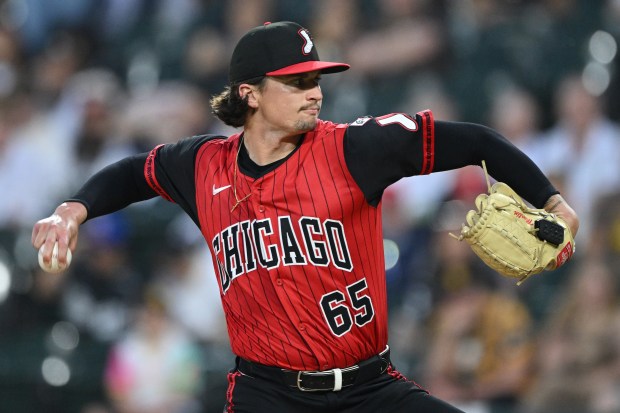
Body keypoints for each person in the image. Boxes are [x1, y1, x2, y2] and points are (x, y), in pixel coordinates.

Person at [32, 21, 579, 413]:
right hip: (265, 395)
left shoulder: (354, 149)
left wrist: (553, 203)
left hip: (371, 389)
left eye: (316, 80)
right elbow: (134, 174)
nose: (314, 93)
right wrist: (71, 211)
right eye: (296, 83)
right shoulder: (202, 166)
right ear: (249, 93)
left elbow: (477, 141)